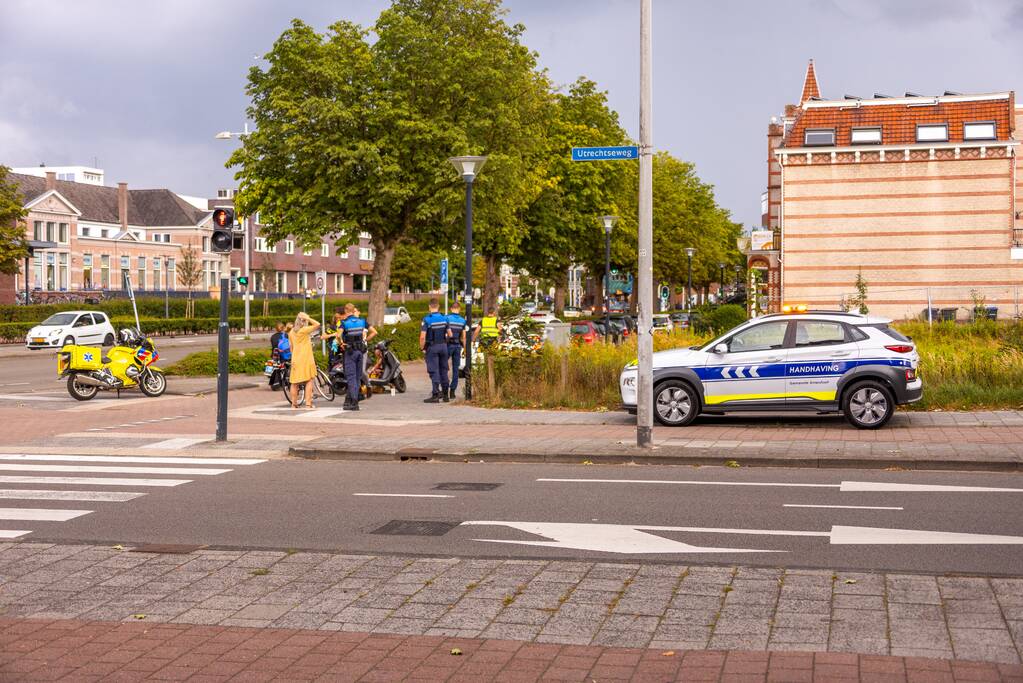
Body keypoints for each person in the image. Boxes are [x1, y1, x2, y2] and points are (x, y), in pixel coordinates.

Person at [339, 303, 373, 410]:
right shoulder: (362, 321)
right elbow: (374, 332)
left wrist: (341, 344)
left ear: (345, 311)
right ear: (353, 310)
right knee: (358, 377)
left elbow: (337, 335)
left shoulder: (344, 323)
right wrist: (364, 340)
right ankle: (355, 398)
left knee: (351, 377)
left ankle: (354, 403)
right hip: (360, 352)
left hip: (350, 352)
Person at [420, 298, 450, 403]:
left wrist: (422, 348)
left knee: (434, 371)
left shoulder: (427, 319)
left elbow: (422, 337)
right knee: (444, 370)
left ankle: (436, 395)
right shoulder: (444, 318)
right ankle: (446, 395)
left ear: (429, 306)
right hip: (444, 346)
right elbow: (450, 334)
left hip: (432, 347)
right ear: (438, 306)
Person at [287, 313, 319, 409]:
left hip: (295, 358)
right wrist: (308, 317)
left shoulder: (291, 332)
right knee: (308, 380)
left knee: (294, 382)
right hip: (306, 358)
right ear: (304, 322)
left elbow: (291, 348)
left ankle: (294, 404)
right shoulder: (304, 330)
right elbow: (317, 324)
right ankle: (308, 404)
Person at [445, 302, 467, 400]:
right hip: (458, 346)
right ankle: (452, 391)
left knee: (443, 367)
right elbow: (464, 337)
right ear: (459, 309)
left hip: (447, 345)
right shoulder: (463, 321)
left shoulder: (447, 318)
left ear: (451, 309)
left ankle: (444, 388)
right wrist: (465, 349)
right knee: (455, 370)